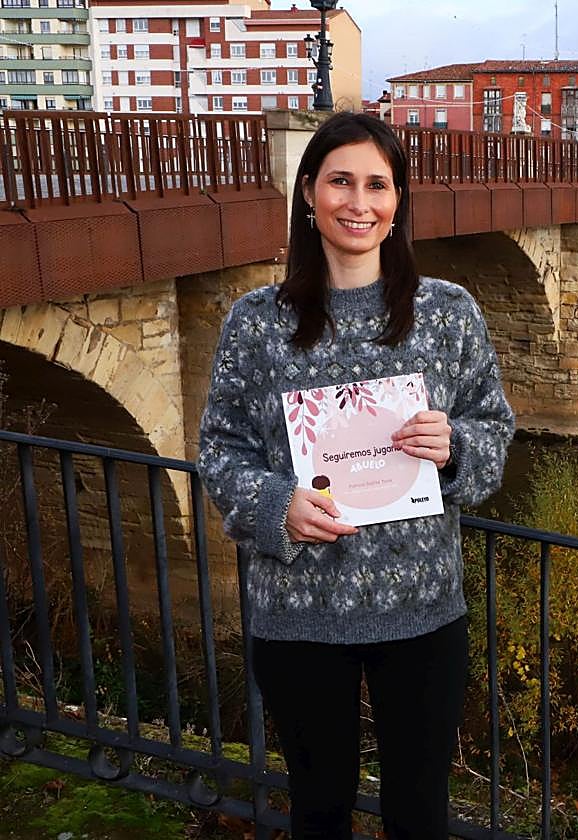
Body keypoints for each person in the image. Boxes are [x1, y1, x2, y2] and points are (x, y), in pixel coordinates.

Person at [197, 112, 515, 839]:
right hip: (299, 614)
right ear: (309, 192)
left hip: (423, 611)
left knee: (419, 812)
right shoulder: (257, 322)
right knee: (318, 807)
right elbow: (220, 448)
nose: (359, 203)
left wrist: (454, 447)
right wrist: (276, 505)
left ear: (398, 201)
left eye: (378, 185)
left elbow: (494, 431)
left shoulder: (447, 314)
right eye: (341, 182)